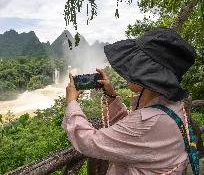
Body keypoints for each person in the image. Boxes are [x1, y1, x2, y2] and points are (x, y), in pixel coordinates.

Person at [62, 27, 200, 175]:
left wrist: (72, 102)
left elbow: (89, 142)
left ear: (148, 74)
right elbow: (131, 133)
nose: (128, 70)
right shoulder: (172, 106)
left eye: (134, 65)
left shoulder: (147, 123)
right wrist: (111, 96)